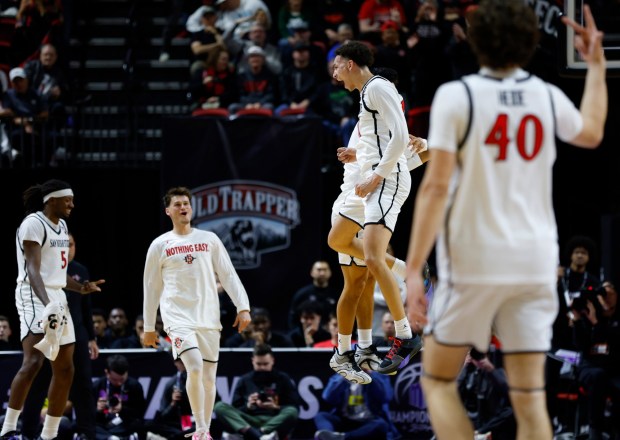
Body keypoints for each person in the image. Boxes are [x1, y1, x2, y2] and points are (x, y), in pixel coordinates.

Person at [404, 2, 607, 439]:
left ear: (474, 38)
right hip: (534, 260)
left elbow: (435, 188)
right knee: (530, 396)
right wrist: (595, 65)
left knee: (438, 380)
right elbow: (591, 132)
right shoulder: (544, 94)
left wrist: (414, 270)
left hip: (476, 257)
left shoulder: (457, 95)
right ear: (532, 42)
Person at [327, 41, 423, 378]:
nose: (335, 73)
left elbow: (399, 140)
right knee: (346, 247)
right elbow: (388, 140)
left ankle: (403, 335)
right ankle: (401, 278)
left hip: (383, 182)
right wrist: (360, 157)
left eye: (337, 66)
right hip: (371, 183)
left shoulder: (377, 87)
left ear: (351, 64)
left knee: (368, 266)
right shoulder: (370, 95)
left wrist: (373, 178)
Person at [143, 186, 252, 440]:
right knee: (192, 366)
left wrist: (243, 306)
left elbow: (228, 274)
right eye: (178, 204)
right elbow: (151, 288)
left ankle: (205, 430)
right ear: (168, 210)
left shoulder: (209, 239)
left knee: (208, 377)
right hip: (178, 319)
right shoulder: (160, 245)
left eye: (186, 204)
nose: (183, 207)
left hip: (208, 318)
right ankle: (200, 430)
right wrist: (149, 327)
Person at [0, 179, 104, 440]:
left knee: (66, 368)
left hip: (56, 295)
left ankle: (50, 434)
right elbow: (34, 271)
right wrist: (48, 306)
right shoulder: (33, 223)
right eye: (67, 200)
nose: (72, 204)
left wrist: (81, 288)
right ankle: (9, 429)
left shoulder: (63, 226)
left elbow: (57, 274)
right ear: (52, 200)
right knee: (34, 361)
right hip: (32, 294)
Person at [213, 343, 300, 440]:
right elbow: (235, 410)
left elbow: (294, 407)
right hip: (249, 421)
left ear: (272, 361)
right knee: (219, 406)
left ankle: (257, 434)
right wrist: (248, 406)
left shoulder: (283, 379)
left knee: (292, 411)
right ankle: (257, 435)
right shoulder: (244, 380)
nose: (262, 367)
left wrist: (275, 407)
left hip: (273, 420)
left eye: (265, 364)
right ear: (253, 361)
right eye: (258, 364)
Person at [572, 280, 620, 440]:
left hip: (613, 369)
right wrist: (578, 320)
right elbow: (582, 345)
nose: (605, 297)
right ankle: (595, 431)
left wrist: (598, 324)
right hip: (590, 368)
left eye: (609, 293)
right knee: (598, 376)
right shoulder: (589, 314)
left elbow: (614, 343)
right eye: (602, 294)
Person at [314, 369, 396, 440]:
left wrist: (371, 375)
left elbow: (386, 397)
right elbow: (327, 397)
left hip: (368, 421)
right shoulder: (341, 374)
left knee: (381, 425)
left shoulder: (379, 374)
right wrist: (344, 377)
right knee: (321, 416)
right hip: (345, 420)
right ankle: (328, 436)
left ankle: (341, 437)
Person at [92, 354, 146, 440]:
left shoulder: (135, 386)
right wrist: (97, 409)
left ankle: (109, 437)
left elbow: (140, 413)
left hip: (124, 422)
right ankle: (113, 438)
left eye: (122, 379)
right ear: (107, 373)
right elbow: (87, 414)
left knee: (140, 426)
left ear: (127, 372)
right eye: (115, 380)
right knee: (82, 425)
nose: (119, 383)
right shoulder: (97, 386)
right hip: (103, 423)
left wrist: (122, 409)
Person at [146, 358, 194, 440]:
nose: (186, 365)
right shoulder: (171, 384)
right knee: (149, 425)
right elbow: (163, 415)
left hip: (193, 423)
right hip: (175, 425)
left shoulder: (200, 381)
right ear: (176, 364)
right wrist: (173, 403)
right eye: (182, 362)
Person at [288, 260, 339, 329]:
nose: (322, 273)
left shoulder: (336, 294)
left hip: (330, 334)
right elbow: (293, 317)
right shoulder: (302, 294)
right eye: (319, 270)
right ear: (312, 272)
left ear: (330, 272)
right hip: (307, 333)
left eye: (325, 270)